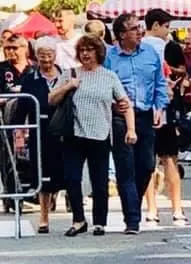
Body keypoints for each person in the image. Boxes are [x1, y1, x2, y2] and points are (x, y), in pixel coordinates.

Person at [51, 35, 135, 237]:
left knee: (99, 181)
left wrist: (131, 129)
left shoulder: (109, 76)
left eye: (90, 50)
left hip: (100, 134)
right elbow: (51, 99)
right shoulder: (70, 74)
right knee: (72, 178)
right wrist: (68, 86)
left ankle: (99, 222)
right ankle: (78, 219)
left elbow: (125, 104)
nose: (86, 54)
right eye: (82, 50)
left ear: (98, 52)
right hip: (73, 134)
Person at [105, 13, 169, 235]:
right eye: (133, 29)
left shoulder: (150, 53)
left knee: (147, 166)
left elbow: (160, 82)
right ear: (121, 35)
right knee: (126, 169)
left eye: (139, 27)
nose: (139, 31)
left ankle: (133, 202)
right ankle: (132, 218)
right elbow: (103, 84)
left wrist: (160, 107)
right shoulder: (110, 57)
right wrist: (112, 104)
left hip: (145, 115)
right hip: (120, 117)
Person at [142, 8, 187, 226]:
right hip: (164, 107)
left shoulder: (139, 48)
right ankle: (176, 208)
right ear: (156, 25)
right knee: (169, 158)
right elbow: (179, 71)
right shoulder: (166, 46)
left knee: (149, 161)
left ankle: (152, 209)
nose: (168, 32)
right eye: (167, 26)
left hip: (146, 107)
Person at [17, 37, 66, 233]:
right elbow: (22, 108)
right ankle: (44, 216)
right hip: (41, 129)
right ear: (36, 57)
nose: (46, 60)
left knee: (68, 170)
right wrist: (19, 134)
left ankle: (75, 214)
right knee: (43, 173)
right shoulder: (30, 78)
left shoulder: (65, 75)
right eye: (42, 55)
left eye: (50, 55)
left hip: (63, 129)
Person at [0, 34, 35, 211]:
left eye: (14, 48)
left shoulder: (34, 68)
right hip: (9, 121)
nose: (10, 52)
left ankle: (34, 194)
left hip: (32, 123)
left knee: (32, 158)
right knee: (9, 159)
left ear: (25, 48)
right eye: (7, 49)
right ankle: (11, 197)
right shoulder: (1, 69)